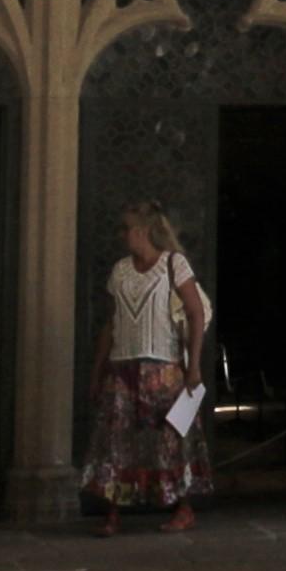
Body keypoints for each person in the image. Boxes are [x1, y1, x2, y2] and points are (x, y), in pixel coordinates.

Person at [85, 206, 214, 535]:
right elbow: (111, 323)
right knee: (116, 440)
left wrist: (194, 366)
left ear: (142, 231)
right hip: (123, 368)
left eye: (126, 228)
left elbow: (196, 313)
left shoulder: (174, 264)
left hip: (164, 368)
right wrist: (97, 372)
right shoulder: (120, 271)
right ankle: (112, 512)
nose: (122, 234)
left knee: (170, 440)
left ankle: (183, 508)